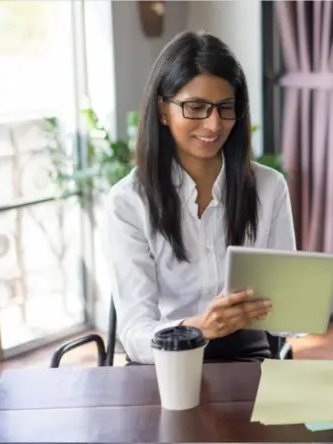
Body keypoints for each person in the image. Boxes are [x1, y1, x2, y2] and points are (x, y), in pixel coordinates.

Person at [106, 31, 295, 364]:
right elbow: (135, 333)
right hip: (164, 354)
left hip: (244, 353)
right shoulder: (129, 201)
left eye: (225, 108)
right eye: (195, 107)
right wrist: (199, 328)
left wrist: (296, 309)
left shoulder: (269, 187)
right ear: (164, 110)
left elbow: (288, 317)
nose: (213, 125)